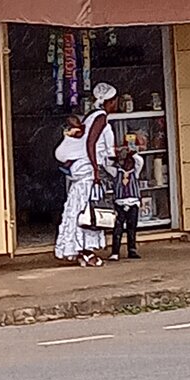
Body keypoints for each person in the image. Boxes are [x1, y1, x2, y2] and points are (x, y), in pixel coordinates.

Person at [55, 83, 118, 267]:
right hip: (88, 169)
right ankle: (86, 250)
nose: (116, 104)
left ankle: (81, 249)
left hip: (85, 168)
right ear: (110, 101)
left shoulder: (93, 115)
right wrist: (96, 170)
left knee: (80, 207)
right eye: (115, 101)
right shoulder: (100, 118)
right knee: (87, 208)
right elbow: (91, 143)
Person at [109, 147, 144, 261]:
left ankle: (132, 250)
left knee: (132, 228)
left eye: (130, 162)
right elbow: (106, 164)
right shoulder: (116, 172)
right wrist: (114, 155)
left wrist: (132, 153)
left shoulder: (135, 173)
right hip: (120, 203)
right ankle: (115, 252)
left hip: (133, 203)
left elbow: (140, 161)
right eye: (125, 161)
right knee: (118, 228)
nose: (128, 164)